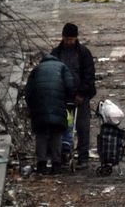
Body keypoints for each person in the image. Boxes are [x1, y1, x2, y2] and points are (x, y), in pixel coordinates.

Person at [52, 23, 98, 169]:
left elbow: (89, 76)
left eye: (71, 39)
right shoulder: (56, 53)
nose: (69, 42)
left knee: (82, 126)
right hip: (63, 96)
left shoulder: (83, 53)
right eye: (67, 39)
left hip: (80, 96)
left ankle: (83, 156)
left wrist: (82, 93)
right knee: (62, 127)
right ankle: (63, 155)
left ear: (76, 38)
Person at [24, 50, 77, 175]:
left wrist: (31, 107)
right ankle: (56, 164)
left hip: (39, 106)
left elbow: (28, 91)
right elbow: (70, 86)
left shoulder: (37, 69)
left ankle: (41, 164)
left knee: (41, 134)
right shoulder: (63, 67)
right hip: (57, 105)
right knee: (56, 134)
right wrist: (70, 98)